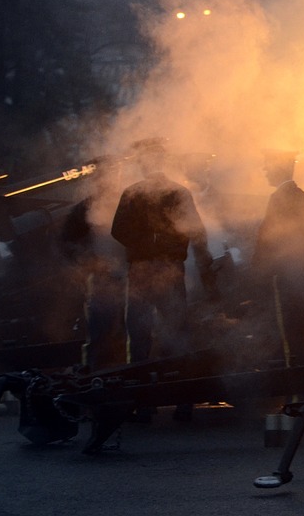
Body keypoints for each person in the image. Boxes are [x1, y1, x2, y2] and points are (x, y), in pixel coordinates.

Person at [110, 137, 218, 420]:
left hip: (143, 271)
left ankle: (144, 403)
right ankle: (182, 402)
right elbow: (196, 232)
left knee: (140, 337)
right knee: (177, 333)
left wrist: (145, 246)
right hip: (168, 269)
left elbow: (118, 230)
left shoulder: (133, 193)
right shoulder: (178, 192)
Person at [251, 149, 304, 368]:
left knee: (289, 335)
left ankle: (297, 391)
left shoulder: (282, 197)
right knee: (297, 334)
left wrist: (259, 271)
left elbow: (271, 239)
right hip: (298, 275)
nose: (265, 170)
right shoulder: (298, 195)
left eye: (268, 164)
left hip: (285, 276)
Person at [59, 158, 126, 369]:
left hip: (129, 277)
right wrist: (89, 263)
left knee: (128, 332)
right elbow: (67, 243)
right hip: (102, 280)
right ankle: (95, 374)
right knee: (100, 334)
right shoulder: (84, 209)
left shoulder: (129, 203)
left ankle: (125, 375)